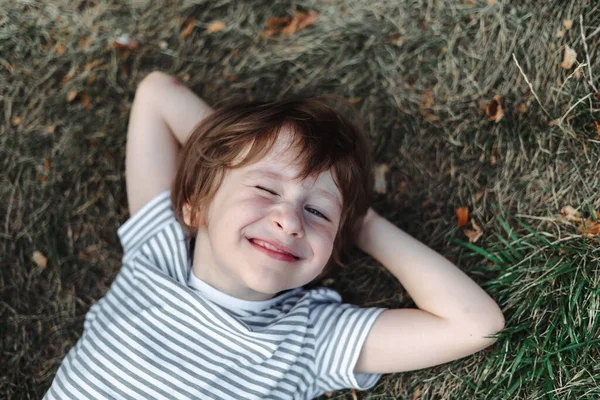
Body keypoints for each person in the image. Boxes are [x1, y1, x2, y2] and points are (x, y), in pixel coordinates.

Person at [43, 71, 505, 399]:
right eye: (264, 187)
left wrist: (362, 224)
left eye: (319, 212)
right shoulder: (156, 251)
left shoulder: (310, 339)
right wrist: (221, 157)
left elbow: (474, 326)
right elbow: (158, 94)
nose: (290, 219)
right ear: (196, 205)